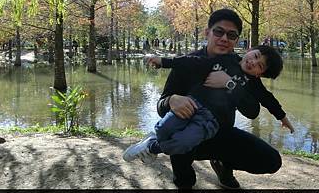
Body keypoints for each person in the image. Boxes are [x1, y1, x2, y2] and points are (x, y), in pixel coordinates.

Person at [126, 9, 287, 189]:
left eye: (231, 35)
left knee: (271, 161)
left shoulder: (243, 68)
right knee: (182, 156)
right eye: (219, 32)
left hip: (219, 132)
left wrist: (230, 84)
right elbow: (161, 105)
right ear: (207, 32)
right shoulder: (187, 62)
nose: (224, 38)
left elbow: (252, 111)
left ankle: (223, 165)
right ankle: (182, 179)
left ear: (236, 40)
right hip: (187, 127)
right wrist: (172, 100)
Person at [122, 45, 294, 162]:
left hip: (210, 121)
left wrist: (283, 117)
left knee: (182, 143)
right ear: (250, 50)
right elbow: (193, 62)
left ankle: (152, 147)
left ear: (259, 74)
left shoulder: (252, 84)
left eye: (259, 66)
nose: (253, 62)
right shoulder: (226, 59)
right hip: (192, 104)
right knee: (163, 128)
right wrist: (164, 62)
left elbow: (267, 100)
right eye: (255, 56)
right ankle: (155, 138)